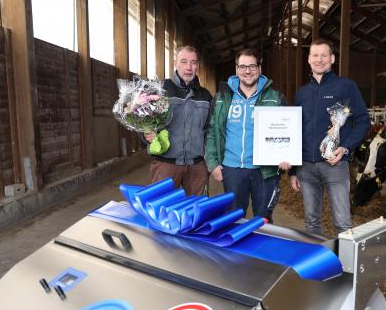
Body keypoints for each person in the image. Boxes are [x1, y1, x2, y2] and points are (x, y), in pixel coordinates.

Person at [289, 38, 370, 235]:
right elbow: (294, 130)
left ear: (332, 59)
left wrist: (346, 147)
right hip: (306, 167)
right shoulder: (301, 94)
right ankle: (318, 265)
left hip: (335, 164)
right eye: (315, 55)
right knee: (311, 223)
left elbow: (363, 121)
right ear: (309, 59)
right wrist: (292, 171)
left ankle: (347, 266)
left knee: (342, 221)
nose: (319, 59)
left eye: (324, 55)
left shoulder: (346, 87)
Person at [205, 48, 289, 222]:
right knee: (233, 220)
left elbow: (287, 131)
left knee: (264, 222)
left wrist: (286, 155)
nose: (247, 71)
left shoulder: (275, 97)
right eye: (243, 66)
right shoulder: (223, 97)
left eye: (252, 66)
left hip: (264, 170)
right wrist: (213, 163)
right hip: (232, 168)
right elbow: (212, 130)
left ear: (259, 68)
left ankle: (263, 248)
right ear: (236, 69)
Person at [144, 45, 213, 196]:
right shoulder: (160, 90)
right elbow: (142, 119)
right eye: (184, 61)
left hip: (197, 165)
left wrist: (210, 161)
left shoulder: (206, 96)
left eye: (193, 62)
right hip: (166, 164)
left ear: (198, 66)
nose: (188, 67)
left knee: (197, 212)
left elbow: (210, 131)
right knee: (162, 210)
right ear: (175, 63)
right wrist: (147, 135)